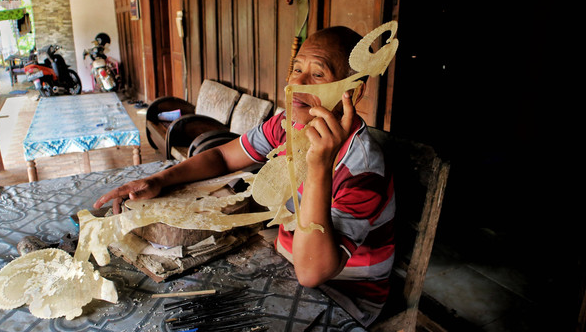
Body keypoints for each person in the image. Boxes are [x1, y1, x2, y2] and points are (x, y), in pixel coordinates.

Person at [94, 26, 395, 320]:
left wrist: (318, 168)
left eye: (318, 74)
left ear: (352, 91)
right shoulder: (288, 125)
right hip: (287, 263)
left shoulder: (362, 169)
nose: (296, 83)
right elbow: (224, 156)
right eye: (296, 69)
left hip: (345, 299)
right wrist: (158, 179)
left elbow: (311, 273)